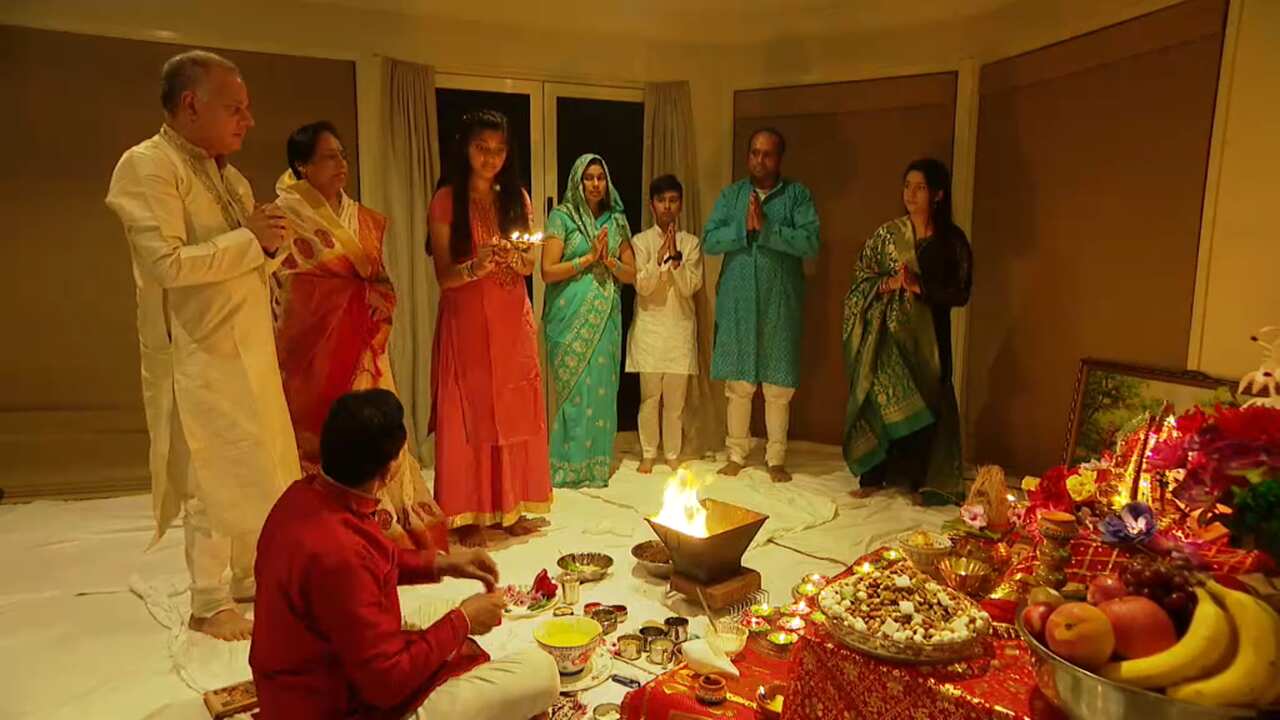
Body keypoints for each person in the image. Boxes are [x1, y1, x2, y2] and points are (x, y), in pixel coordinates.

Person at [105, 50, 300, 641]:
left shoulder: (228, 176)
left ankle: (248, 573)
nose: (249, 121)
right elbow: (164, 264)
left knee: (260, 459)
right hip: (198, 350)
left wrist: (272, 247)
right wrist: (250, 239)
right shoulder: (149, 166)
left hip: (247, 344)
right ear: (191, 105)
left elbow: (247, 260)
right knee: (210, 472)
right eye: (235, 108)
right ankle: (207, 599)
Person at [250, 389, 560, 720]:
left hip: (302, 684)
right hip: (338, 706)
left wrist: (441, 563)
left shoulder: (302, 496)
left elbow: (371, 563)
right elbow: (385, 685)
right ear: (390, 467)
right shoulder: (340, 552)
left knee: (443, 609)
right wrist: (463, 621)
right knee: (540, 671)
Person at [271, 121, 438, 551]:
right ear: (302, 165)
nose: (341, 164)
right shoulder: (283, 216)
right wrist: (330, 299)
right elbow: (283, 283)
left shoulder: (361, 219)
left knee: (374, 422)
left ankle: (383, 521)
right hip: (313, 344)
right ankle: (326, 528)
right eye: (329, 156)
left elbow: (375, 275)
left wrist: (370, 301)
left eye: (343, 155)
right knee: (324, 429)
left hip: (364, 339)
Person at [427, 110, 552, 547]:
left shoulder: (517, 197)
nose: (490, 158)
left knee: (516, 406)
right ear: (465, 147)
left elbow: (528, 262)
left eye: (498, 150)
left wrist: (518, 261)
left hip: (511, 319)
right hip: (467, 324)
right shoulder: (446, 199)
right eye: (482, 148)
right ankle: (471, 515)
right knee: (473, 411)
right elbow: (444, 276)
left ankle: (513, 507)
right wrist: (474, 266)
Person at [842, 158, 972, 505]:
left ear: (939, 194)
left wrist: (919, 287)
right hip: (887, 339)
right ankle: (873, 476)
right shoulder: (888, 235)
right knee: (879, 399)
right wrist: (889, 283)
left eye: (920, 187)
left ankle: (919, 482)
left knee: (927, 402)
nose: (910, 194)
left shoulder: (951, 241)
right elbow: (861, 281)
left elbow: (961, 292)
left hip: (930, 337)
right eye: (907, 186)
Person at [704, 128, 820, 483]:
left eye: (767, 154)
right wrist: (744, 229)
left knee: (777, 383)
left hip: (779, 301)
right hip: (738, 299)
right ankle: (736, 453)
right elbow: (709, 240)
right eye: (754, 153)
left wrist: (768, 228)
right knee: (739, 382)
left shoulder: (797, 196)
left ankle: (775, 458)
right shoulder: (732, 196)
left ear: (779, 158)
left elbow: (810, 243)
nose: (759, 160)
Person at [541, 154, 636, 488]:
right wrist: (587, 259)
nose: (596, 184)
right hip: (568, 318)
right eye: (589, 178)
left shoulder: (617, 220)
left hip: (605, 315)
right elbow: (547, 271)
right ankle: (566, 467)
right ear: (577, 182)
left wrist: (609, 262)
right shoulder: (561, 218)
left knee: (601, 388)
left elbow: (632, 273)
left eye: (600, 177)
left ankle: (595, 466)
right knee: (574, 391)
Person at [626, 174, 703, 474]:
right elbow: (642, 287)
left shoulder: (691, 243)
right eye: (661, 201)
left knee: (675, 402)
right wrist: (658, 260)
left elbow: (690, 287)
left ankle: (672, 453)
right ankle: (648, 452)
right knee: (649, 398)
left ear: (680, 204)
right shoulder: (640, 241)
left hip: (679, 328)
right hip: (649, 328)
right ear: (652, 205)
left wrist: (676, 261)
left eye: (672, 200)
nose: (667, 206)